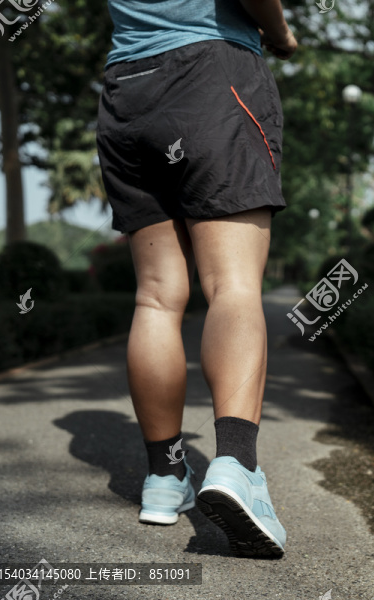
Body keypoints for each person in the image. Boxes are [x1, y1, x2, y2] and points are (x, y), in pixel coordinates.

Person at [96, 0, 297, 559]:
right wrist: (278, 31)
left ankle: (164, 478)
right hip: (211, 73)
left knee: (157, 298)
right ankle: (237, 466)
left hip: (126, 91)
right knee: (232, 284)